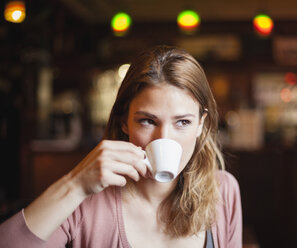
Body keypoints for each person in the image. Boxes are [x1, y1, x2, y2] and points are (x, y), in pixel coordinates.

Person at [0, 45, 242, 247]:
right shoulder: (86, 200)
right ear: (124, 122)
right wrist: (75, 184)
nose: (163, 139)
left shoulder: (223, 191)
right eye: (147, 121)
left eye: (183, 122)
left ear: (201, 125)